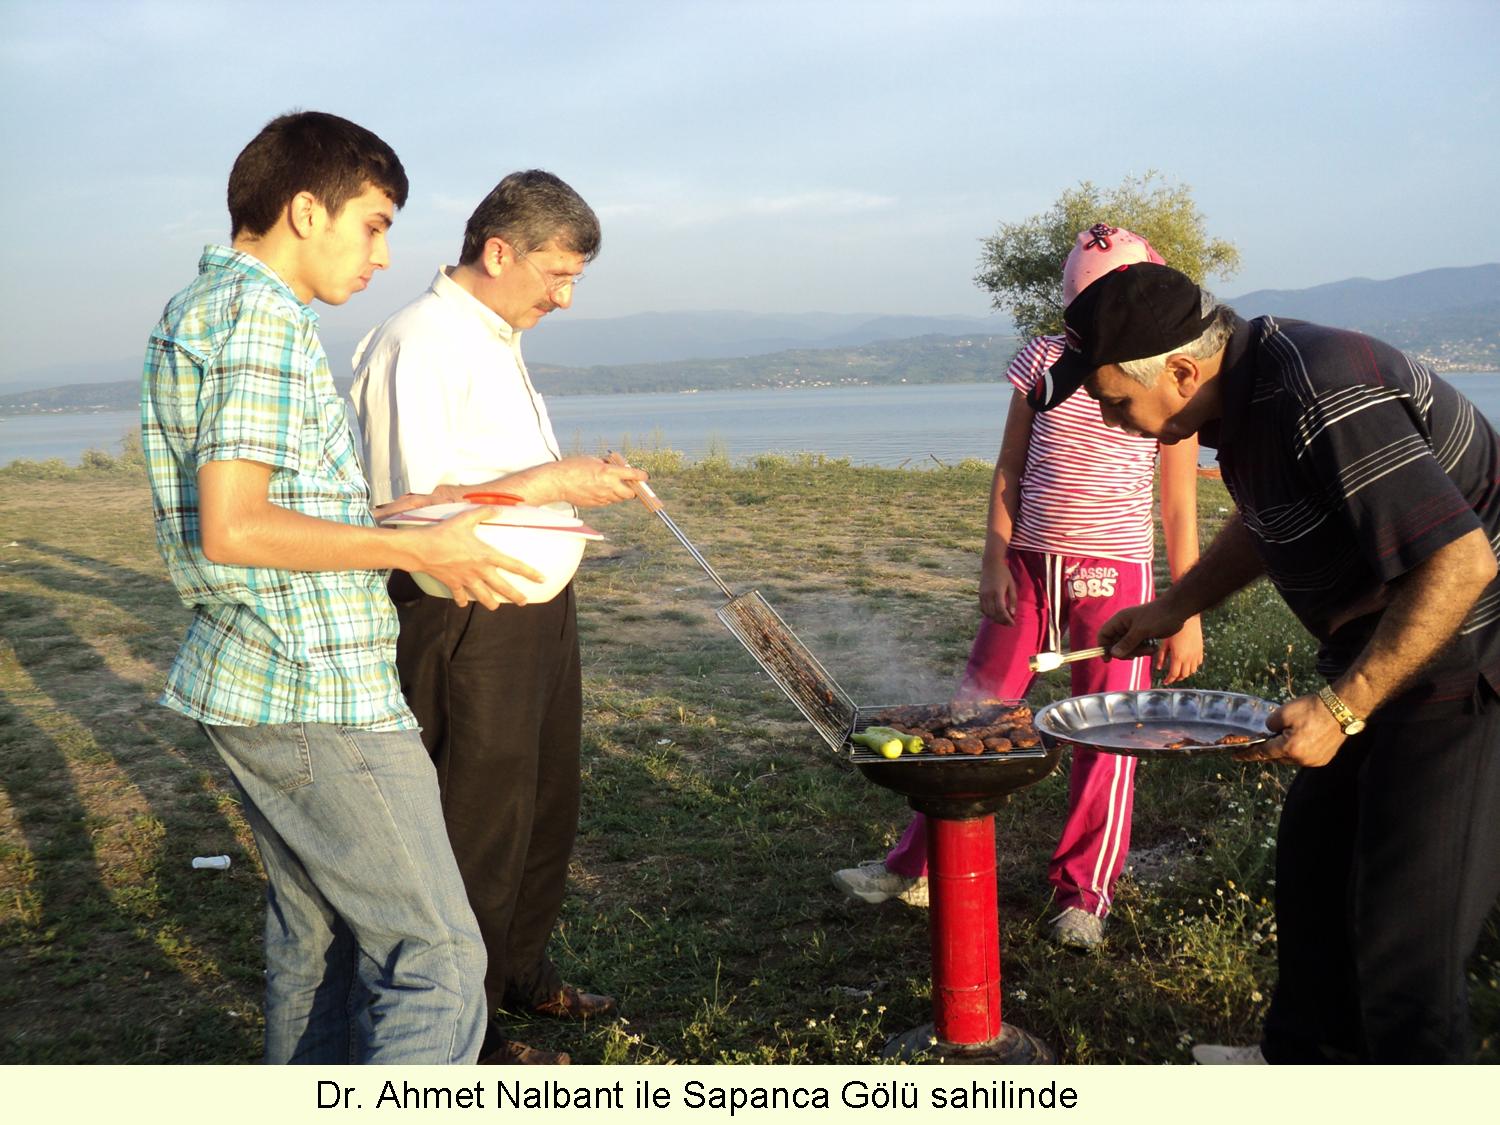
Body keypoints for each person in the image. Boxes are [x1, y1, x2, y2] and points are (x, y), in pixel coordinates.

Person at [140, 112, 544, 1064]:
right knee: (438, 957)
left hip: (253, 676)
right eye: (374, 224)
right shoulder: (264, 321)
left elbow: (291, 504)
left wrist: (430, 513)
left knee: (316, 942)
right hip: (316, 687)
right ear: (306, 209)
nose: (383, 255)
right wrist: (414, 554)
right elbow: (237, 525)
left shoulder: (204, 303)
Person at [1034, 261, 1500, 1063]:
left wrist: (1346, 706)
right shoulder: (1243, 400)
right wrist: (1174, 606)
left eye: (1116, 403)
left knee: (1405, 960)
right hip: (1385, 648)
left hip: (1466, 663)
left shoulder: (1320, 392)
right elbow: (1264, 521)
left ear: (1181, 370)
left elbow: (1462, 564)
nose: (1113, 424)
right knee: (1314, 874)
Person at [833, 226, 1204, 949]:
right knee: (974, 712)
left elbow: (1180, 505)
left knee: (1109, 731)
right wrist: (993, 559)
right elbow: (1009, 468)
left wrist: (1184, 611)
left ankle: (1084, 892)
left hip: (1116, 579)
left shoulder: (1166, 374)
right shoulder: (1043, 359)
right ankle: (919, 864)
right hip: (1029, 568)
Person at [351, 171, 646, 1066]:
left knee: (544, 803)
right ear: (498, 251)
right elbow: (409, 508)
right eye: (556, 275)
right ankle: (466, 1032)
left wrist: (568, 482)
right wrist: (557, 483)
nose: (563, 297)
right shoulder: (420, 340)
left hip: (537, 608)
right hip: (469, 617)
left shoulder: (490, 333)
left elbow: (492, 473)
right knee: (474, 818)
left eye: (576, 281)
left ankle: (517, 971)